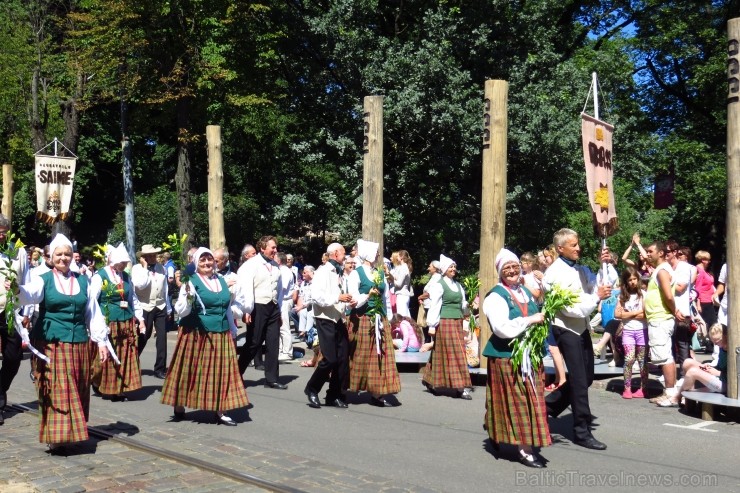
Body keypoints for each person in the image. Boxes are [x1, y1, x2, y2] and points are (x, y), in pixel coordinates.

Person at [16, 233, 109, 452]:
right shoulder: (44, 279)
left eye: (67, 254)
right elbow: (29, 295)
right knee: (58, 387)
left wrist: (102, 341)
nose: (64, 258)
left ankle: (72, 431)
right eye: (59, 254)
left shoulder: (83, 281)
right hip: (51, 342)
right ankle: (57, 435)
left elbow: (92, 313)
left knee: (77, 386)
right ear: (50, 257)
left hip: (78, 342)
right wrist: (14, 289)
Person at [161, 247, 248, 425]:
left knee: (222, 373)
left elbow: (228, 310)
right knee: (189, 370)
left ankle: (220, 410)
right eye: (203, 260)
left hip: (221, 334)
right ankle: (179, 403)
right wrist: (188, 297)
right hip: (196, 333)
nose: (207, 263)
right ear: (196, 263)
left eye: (210, 260)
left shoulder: (223, 281)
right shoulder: (190, 281)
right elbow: (181, 311)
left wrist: (232, 330)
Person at [543, 228, 612, 451]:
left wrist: (606, 264)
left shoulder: (579, 268)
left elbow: (599, 284)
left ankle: (546, 407)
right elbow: (572, 309)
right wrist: (596, 298)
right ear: (560, 248)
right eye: (573, 245)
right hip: (566, 328)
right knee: (580, 382)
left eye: (578, 243)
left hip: (581, 329)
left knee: (587, 377)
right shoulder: (553, 275)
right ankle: (582, 431)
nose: (578, 248)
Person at [482, 248, 550, 468]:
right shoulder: (495, 296)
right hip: (507, 357)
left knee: (531, 398)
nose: (511, 271)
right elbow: (501, 328)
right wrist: (530, 320)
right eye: (506, 268)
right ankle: (525, 449)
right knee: (516, 400)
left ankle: (503, 433)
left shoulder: (525, 291)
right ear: (500, 272)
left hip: (530, 355)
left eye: (514, 267)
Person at [346, 239, 401, 406]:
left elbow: (385, 298)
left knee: (380, 355)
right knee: (359, 355)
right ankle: (345, 387)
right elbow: (354, 301)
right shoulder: (356, 274)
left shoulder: (380, 273)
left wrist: (389, 318)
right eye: (376, 252)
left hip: (379, 319)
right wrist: (368, 295)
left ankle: (377, 392)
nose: (378, 255)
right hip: (362, 319)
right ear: (369, 254)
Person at [90, 243, 145, 401]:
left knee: (125, 355)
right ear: (114, 261)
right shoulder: (100, 276)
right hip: (109, 323)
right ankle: (98, 380)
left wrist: (140, 318)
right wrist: (97, 322)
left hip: (126, 321)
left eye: (126, 262)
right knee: (108, 356)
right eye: (122, 262)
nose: (125, 265)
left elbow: (132, 298)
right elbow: (92, 301)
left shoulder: (126, 277)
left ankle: (119, 388)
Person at [304, 243, 353, 409]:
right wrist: (338, 297)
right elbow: (317, 297)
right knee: (330, 358)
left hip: (338, 317)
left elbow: (340, 296)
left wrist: (348, 301)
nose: (345, 257)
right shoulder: (323, 272)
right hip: (325, 318)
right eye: (343, 253)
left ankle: (334, 394)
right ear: (336, 253)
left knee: (342, 358)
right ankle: (312, 388)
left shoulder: (340, 272)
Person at [234, 236, 286, 389]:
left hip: (273, 306)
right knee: (254, 342)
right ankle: (236, 374)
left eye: (276, 247)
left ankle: (271, 379)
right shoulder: (250, 265)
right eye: (273, 248)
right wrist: (247, 310)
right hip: (257, 306)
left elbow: (279, 290)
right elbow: (245, 288)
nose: (275, 250)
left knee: (273, 342)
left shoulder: (275, 266)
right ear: (263, 248)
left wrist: (280, 311)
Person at [422, 254, 472, 400]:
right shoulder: (439, 285)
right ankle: (460, 386)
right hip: (445, 322)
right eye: (451, 267)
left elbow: (462, 303)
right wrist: (432, 325)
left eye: (454, 267)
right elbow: (435, 305)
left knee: (444, 352)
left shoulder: (458, 285)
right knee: (453, 352)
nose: (453, 269)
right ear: (444, 269)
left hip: (457, 322)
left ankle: (430, 379)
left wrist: (467, 309)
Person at [644, 241, 684, 406]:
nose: (647, 254)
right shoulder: (660, 270)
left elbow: (668, 296)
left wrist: (674, 311)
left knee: (665, 356)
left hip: (661, 318)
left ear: (660, 253)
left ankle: (671, 394)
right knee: (663, 355)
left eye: (650, 251)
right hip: (657, 318)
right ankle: (668, 392)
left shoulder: (662, 271)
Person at [658, 324, 727, 407]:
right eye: (714, 341)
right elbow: (721, 366)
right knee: (688, 362)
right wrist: (710, 366)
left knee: (692, 372)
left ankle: (677, 397)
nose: (715, 344)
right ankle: (689, 395)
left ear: (726, 336)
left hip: (727, 384)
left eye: (718, 340)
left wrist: (717, 373)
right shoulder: (722, 347)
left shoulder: (734, 349)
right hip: (720, 375)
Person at [132, 244, 172, 379]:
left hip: (160, 306)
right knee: (144, 335)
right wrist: (144, 268)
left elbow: (165, 289)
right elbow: (140, 285)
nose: (152, 258)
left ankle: (160, 368)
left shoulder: (162, 268)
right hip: (145, 306)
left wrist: (168, 308)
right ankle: (132, 362)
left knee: (162, 338)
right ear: (143, 258)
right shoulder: (137, 269)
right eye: (148, 256)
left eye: (153, 255)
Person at [0, 216, 25, 425]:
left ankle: (0, 388)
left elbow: (25, 281)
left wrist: (26, 311)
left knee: (14, 356)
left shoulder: (17, 252)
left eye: (4, 231)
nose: (1, 234)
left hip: (10, 311)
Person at [615, 266, 649, 399]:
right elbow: (617, 313)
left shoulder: (644, 295)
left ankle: (643, 388)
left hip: (642, 330)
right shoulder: (623, 296)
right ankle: (627, 387)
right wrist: (635, 313)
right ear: (626, 281)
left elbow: (645, 314)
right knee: (629, 360)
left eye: (635, 279)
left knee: (642, 361)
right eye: (630, 280)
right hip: (628, 331)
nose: (633, 282)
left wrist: (627, 314)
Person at [276, 252, 296, 361]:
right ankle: (280, 349)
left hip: (284, 301)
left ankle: (287, 352)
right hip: (281, 301)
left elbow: (281, 288)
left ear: (279, 260)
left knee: (284, 327)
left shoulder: (285, 272)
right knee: (279, 328)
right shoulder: (281, 271)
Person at [694, 250, 716, 329]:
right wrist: (698, 304)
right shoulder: (699, 271)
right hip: (703, 302)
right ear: (703, 260)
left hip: (709, 301)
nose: (709, 262)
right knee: (711, 325)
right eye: (708, 260)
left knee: (712, 324)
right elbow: (697, 288)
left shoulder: (704, 271)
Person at [389, 250, 413, 318]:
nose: (397, 258)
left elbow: (399, 284)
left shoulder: (403, 268)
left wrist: (392, 279)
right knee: (406, 316)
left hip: (402, 295)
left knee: (402, 317)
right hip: (402, 295)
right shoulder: (403, 267)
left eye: (398, 256)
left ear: (401, 257)